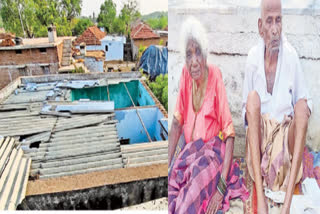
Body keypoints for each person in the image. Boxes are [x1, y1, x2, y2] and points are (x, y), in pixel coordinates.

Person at [168, 17, 248, 214]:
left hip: (212, 154)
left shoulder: (214, 74)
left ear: (204, 54)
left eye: (198, 53)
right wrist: (167, 165)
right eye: (188, 54)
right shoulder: (186, 75)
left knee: (190, 197)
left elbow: (229, 134)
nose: (194, 61)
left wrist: (221, 188)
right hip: (189, 152)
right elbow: (177, 124)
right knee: (171, 190)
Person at [242, 0, 313, 213]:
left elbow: (306, 102)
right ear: (260, 26)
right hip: (260, 137)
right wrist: (260, 128)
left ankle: (287, 204)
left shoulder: (291, 56)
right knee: (252, 98)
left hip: (284, 139)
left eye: (279, 20)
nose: (275, 29)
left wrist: (296, 121)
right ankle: (261, 200)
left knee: (301, 106)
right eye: (269, 21)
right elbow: (246, 111)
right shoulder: (252, 58)